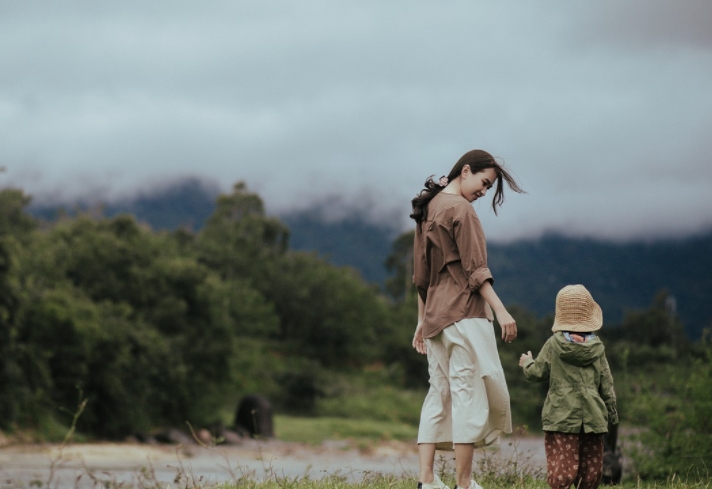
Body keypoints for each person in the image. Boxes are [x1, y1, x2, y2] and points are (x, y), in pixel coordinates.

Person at [411, 149, 524, 489]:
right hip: (463, 313)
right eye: (484, 183)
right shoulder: (461, 210)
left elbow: (421, 276)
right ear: (465, 171)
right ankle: (464, 483)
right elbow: (476, 271)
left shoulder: (427, 209)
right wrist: (501, 309)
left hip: (435, 316)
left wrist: (420, 320)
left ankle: (427, 481)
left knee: (438, 394)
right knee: (467, 396)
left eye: (489, 187)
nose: (484, 191)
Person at [519, 284, 618, 489]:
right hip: (592, 418)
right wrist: (611, 415)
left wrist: (526, 362)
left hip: (561, 416)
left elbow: (536, 373)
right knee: (590, 472)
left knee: (562, 470)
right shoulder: (597, 349)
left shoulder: (554, 345)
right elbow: (607, 384)